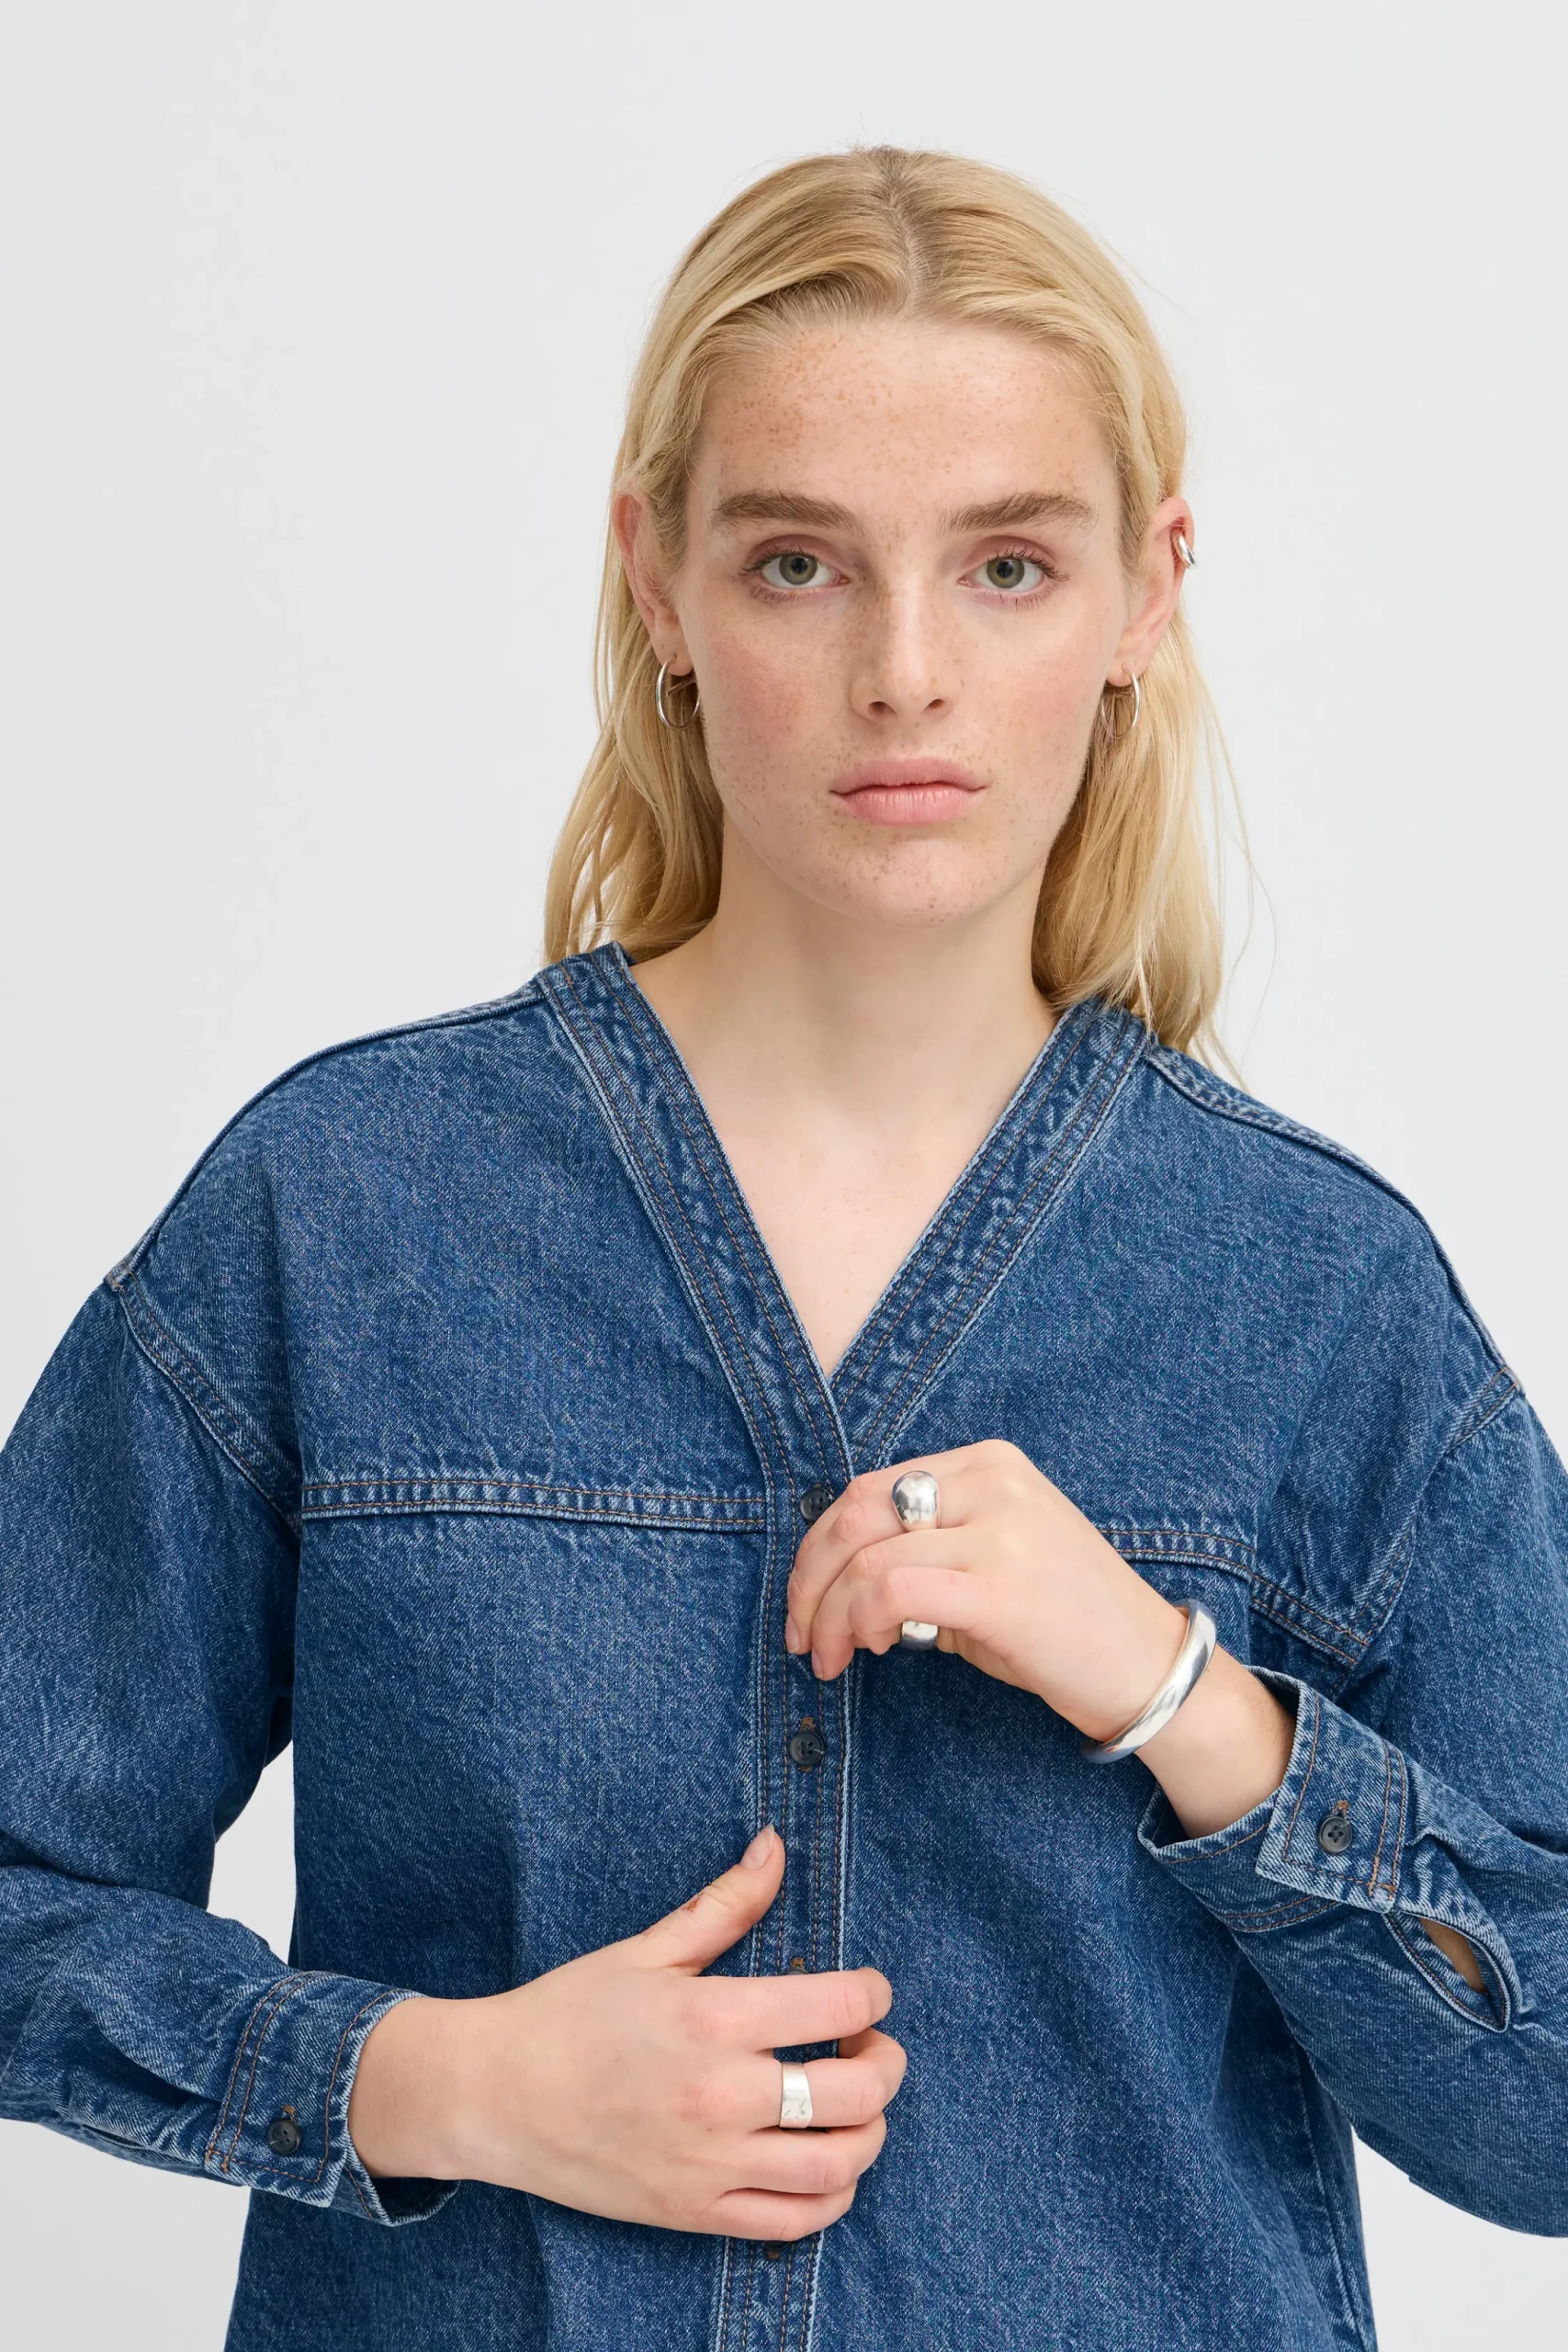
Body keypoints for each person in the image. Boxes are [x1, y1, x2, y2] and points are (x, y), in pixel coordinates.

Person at [1, 142, 1564, 2352]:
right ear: (656, 579)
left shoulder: (1321, 1301)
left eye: (1006, 564)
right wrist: (432, 2079)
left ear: (1145, 594)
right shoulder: (340, 1213)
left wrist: (1182, 1695)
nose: (904, 672)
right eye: (799, 562)